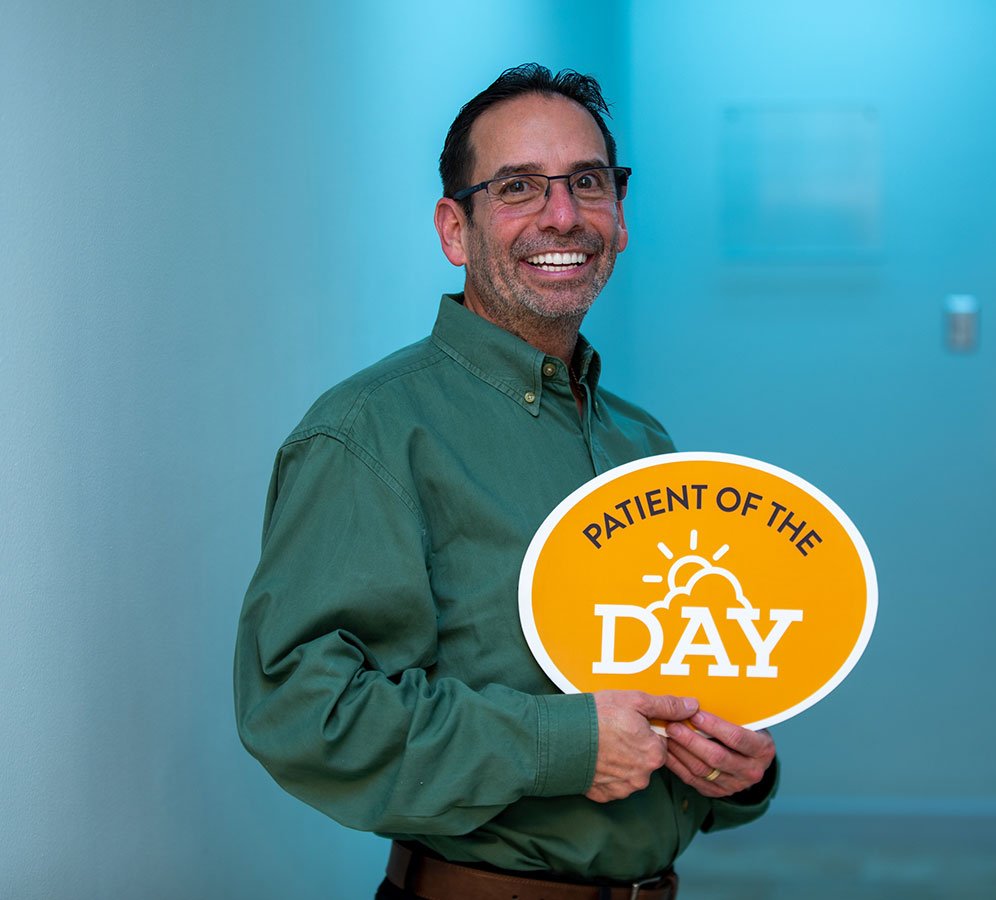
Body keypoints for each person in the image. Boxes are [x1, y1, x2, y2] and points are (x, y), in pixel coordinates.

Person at [234, 63, 777, 900]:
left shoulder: (639, 440)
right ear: (456, 230)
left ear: (621, 218)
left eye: (587, 183)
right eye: (520, 186)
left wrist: (731, 769)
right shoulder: (369, 431)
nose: (563, 214)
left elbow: (668, 691)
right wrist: (564, 744)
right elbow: (306, 715)